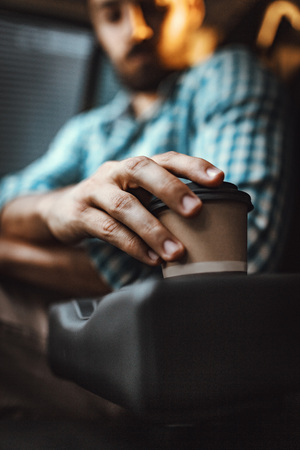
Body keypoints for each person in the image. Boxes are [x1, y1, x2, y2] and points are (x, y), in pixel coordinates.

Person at [0, 0, 293, 420]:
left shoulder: (225, 76)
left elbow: (226, 274)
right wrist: (54, 208)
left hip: (161, 354)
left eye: (154, 8)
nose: (135, 28)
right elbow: (6, 199)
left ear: (192, 9)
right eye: (112, 13)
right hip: (77, 317)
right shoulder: (88, 131)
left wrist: (8, 253)